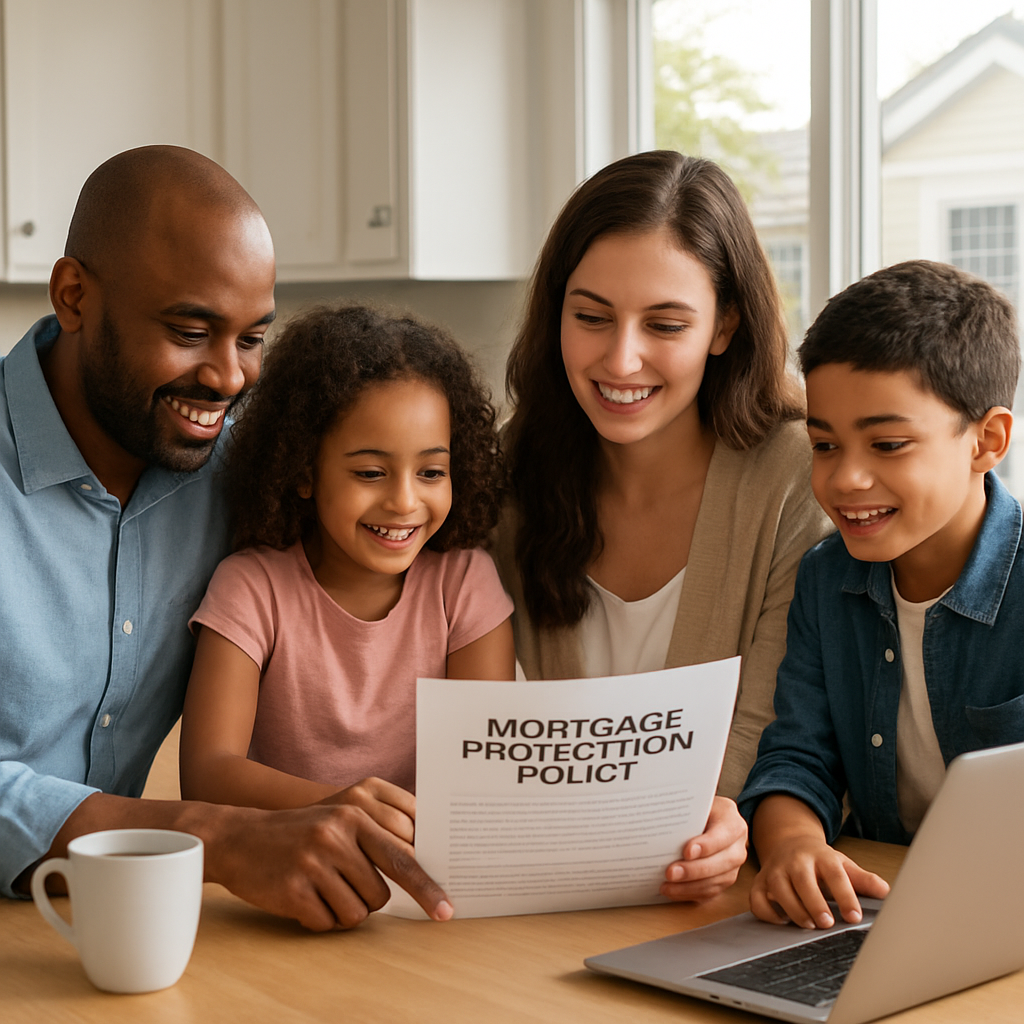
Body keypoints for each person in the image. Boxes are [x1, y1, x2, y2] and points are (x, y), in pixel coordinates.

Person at [0, 146, 453, 931]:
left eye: (250, 339)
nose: (229, 379)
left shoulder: (243, 464)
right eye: (189, 330)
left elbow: (423, 507)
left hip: (107, 925)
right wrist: (214, 837)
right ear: (74, 296)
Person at [494, 150, 832, 903]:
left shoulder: (795, 471)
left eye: (666, 323)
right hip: (554, 890)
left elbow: (771, 731)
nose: (621, 358)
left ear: (725, 326)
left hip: (723, 891)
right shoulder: (512, 467)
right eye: (590, 317)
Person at [739, 260, 1023, 930]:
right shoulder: (823, 580)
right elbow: (797, 756)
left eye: (888, 444)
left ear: (987, 441)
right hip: (884, 914)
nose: (846, 479)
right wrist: (793, 845)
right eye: (825, 445)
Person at [178, 304, 514, 808]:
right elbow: (208, 775)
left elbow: (487, 772)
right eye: (371, 473)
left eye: (431, 472)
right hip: (290, 873)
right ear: (304, 471)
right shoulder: (250, 588)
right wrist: (351, 809)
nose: (404, 502)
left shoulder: (465, 584)